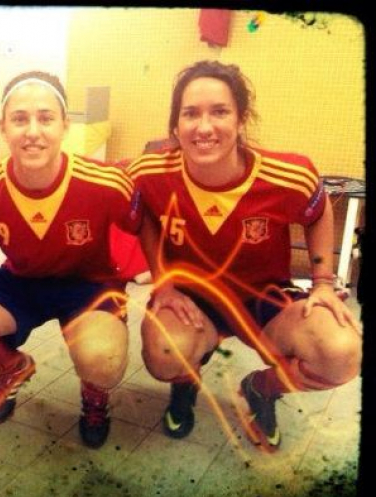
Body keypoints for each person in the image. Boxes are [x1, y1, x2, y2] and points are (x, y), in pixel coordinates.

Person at [125, 60, 362, 451]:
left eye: (220, 111)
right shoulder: (149, 173)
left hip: (263, 297)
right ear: (176, 126)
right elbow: (144, 214)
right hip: (193, 299)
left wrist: (322, 282)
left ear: (240, 119)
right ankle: (186, 381)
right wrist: (163, 281)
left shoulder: (289, 174)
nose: (204, 127)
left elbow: (319, 212)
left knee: (340, 353)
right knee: (166, 353)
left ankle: (260, 389)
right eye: (190, 113)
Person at [0, 71, 139, 448]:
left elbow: (149, 224)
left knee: (104, 363)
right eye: (19, 119)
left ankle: (94, 395)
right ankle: (13, 367)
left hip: (90, 285)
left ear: (65, 125)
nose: (32, 131)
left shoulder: (105, 182)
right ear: (3, 127)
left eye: (45, 118)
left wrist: (167, 283)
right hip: (22, 280)